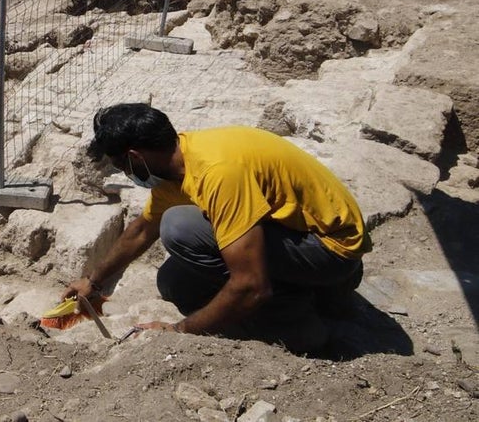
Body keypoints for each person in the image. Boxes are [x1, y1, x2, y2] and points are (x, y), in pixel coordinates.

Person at [64, 103, 369, 354]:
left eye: (123, 167)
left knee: (180, 227)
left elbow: (250, 283)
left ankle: (300, 327)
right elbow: (143, 230)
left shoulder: (217, 172)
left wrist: (178, 330)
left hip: (332, 250)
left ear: (134, 156)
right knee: (174, 282)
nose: (127, 174)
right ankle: (312, 292)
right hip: (295, 234)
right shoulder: (178, 158)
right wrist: (94, 281)